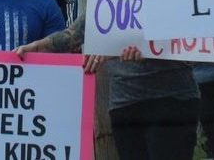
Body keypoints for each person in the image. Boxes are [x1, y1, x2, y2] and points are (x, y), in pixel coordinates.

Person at [16, 13, 200, 159]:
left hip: (172, 99)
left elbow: (187, 38)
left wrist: (142, 48)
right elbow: (72, 35)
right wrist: (37, 47)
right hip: (124, 104)